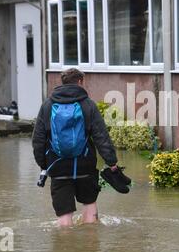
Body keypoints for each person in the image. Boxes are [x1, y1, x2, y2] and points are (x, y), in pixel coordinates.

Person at [32, 68, 121, 227]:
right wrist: (112, 162)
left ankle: (67, 248)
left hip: (57, 166)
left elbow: (38, 140)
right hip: (84, 165)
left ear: (63, 82)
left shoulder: (47, 106)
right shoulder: (88, 105)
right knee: (89, 205)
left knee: (64, 217)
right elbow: (101, 137)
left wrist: (44, 165)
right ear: (80, 82)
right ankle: (90, 247)